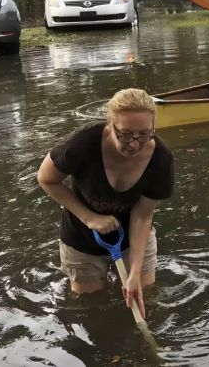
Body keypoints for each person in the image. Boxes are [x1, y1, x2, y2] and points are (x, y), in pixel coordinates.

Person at [37, 88, 174, 319]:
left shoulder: (162, 159)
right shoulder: (83, 142)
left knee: (145, 297)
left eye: (144, 134)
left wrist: (134, 273)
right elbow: (46, 179)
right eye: (126, 134)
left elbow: (142, 216)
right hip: (81, 236)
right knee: (90, 306)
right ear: (110, 124)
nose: (134, 144)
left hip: (132, 238)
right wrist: (89, 217)